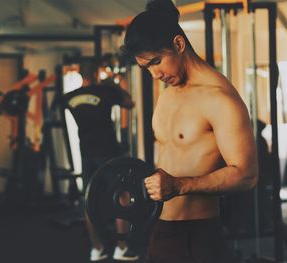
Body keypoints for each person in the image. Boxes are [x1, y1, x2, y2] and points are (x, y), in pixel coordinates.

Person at [121, 0, 258, 262]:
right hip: (160, 227)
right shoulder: (168, 93)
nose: (154, 74)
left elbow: (247, 176)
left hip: (197, 235)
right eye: (146, 67)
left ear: (179, 44)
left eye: (156, 62)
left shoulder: (221, 99)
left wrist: (180, 185)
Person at [61, 62, 137, 261]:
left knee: (90, 200)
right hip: (109, 152)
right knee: (122, 195)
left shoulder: (69, 97)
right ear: (96, 73)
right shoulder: (106, 90)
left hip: (86, 153)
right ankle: (121, 247)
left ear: (80, 75)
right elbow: (130, 103)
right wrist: (115, 84)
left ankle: (97, 249)